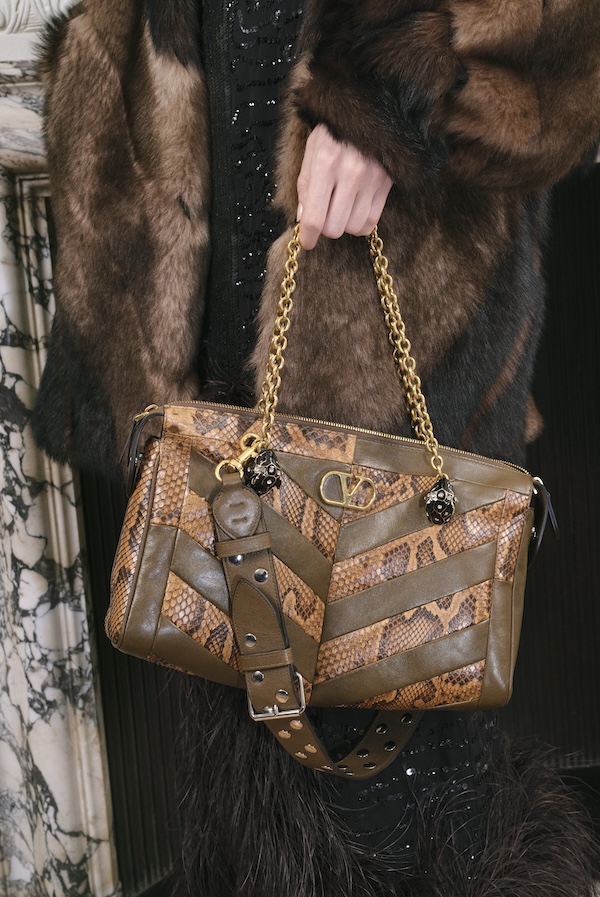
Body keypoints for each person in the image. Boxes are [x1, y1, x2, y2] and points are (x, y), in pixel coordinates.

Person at [32, 1, 600, 895]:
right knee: (239, 705)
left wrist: (386, 100)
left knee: (399, 718)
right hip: (214, 129)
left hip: (396, 211)